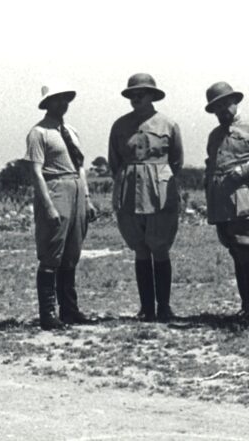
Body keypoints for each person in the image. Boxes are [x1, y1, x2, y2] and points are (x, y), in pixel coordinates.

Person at [108, 73, 184, 323]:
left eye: (141, 93)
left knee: (159, 247)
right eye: (131, 94)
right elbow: (114, 162)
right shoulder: (120, 126)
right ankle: (146, 308)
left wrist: (157, 177)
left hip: (160, 192)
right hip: (130, 192)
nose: (135, 98)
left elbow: (177, 161)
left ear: (152, 95)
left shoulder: (168, 124)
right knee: (139, 248)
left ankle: (164, 307)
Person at [202, 82, 249, 331]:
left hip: (247, 202)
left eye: (225, 103)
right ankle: (246, 307)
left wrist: (245, 169)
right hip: (223, 206)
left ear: (235, 101)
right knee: (236, 254)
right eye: (216, 107)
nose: (222, 110)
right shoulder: (214, 136)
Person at [24, 82, 98, 330]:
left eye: (66, 99)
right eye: (57, 100)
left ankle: (70, 310)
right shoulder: (38, 133)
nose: (62, 104)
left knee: (72, 253)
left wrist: (87, 198)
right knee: (51, 253)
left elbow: (80, 166)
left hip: (76, 188)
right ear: (47, 104)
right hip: (55, 189)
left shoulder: (71, 131)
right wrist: (48, 206)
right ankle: (48, 314)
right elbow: (36, 171)